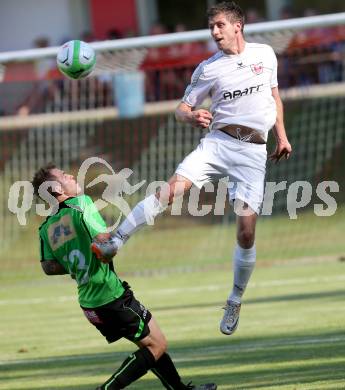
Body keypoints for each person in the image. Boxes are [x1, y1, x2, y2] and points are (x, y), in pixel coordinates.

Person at [92, 1, 292, 336]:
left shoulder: (265, 55)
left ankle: (235, 298)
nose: (215, 32)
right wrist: (192, 115)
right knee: (171, 190)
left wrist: (281, 137)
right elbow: (180, 109)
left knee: (246, 232)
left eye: (220, 25)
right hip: (218, 144)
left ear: (238, 25)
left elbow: (275, 97)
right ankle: (117, 238)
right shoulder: (208, 68)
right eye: (212, 26)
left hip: (254, 152)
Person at [32, 164, 217, 390]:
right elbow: (103, 240)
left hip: (90, 302)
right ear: (56, 189)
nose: (70, 175)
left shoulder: (46, 228)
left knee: (152, 342)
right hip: (110, 295)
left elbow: (48, 267)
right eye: (63, 175)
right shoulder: (81, 205)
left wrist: (76, 260)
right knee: (156, 346)